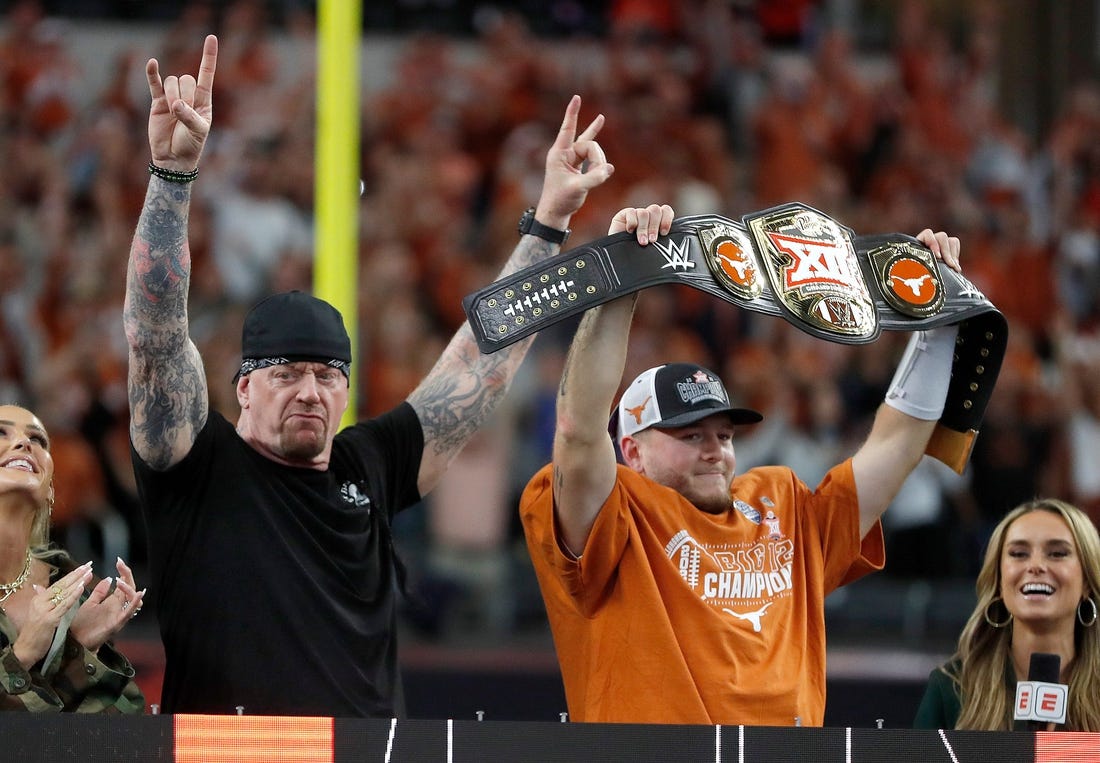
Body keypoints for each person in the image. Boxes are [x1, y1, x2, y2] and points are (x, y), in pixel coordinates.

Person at [123, 34, 653, 717]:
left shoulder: (366, 462)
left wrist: (548, 222)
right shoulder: (197, 467)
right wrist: (171, 178)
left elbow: (476, 366)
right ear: (244, 387)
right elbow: (155, 335)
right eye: (287, 374)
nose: (311, 391)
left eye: (327, 374)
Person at [520, 203, 966, 726]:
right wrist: (621, 280)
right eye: (690, 435)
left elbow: (898, 446)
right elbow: (577, 431)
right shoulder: (613, 515)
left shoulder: (783, 502)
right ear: (632, 451)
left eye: (725, 434)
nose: (716, 450)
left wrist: (937, 320)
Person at [0, 404, 144, 712]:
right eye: (1, 432)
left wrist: (80, 647)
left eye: (38, 439)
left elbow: (114, 738)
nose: (26, 443)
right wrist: (23, 654)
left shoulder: (69, 587)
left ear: (50, 489)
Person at [913, 498, 1100, 731]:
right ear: (999, 582)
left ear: (1087, 583)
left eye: (1057, 553)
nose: (1036, 565)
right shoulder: (951, 687)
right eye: (1019, 553)